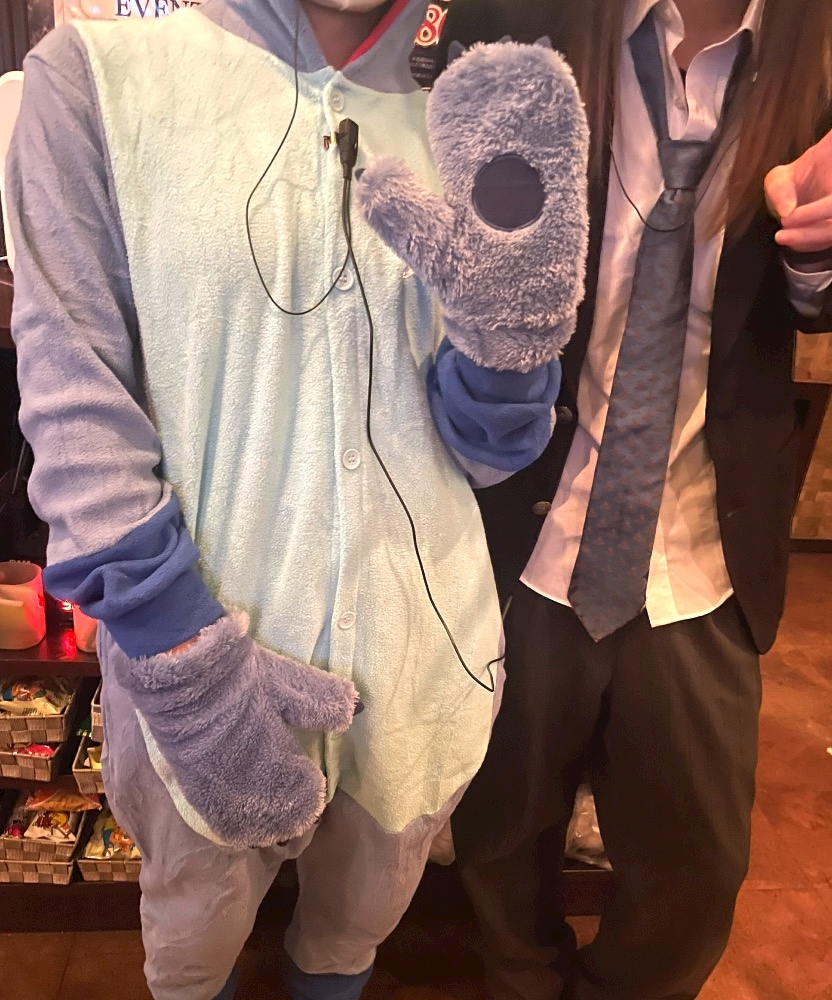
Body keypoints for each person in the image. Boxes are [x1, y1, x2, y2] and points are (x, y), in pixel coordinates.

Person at [5, 2, 570, 999]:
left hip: (421, 653)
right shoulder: (96, 80)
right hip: (202, 647)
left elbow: (488, 452)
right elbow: (77, 404)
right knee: (194, 940)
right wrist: (186, 667)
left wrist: (509, 346)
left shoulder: (471, 110)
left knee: (354, 929)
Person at [447, 1, 832, 999]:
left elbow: (814, 304)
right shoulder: (531, 27)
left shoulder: (816, 68)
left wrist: (818, 253)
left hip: (701, 546)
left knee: (700, 868)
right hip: (529, 528)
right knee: (497, 831)